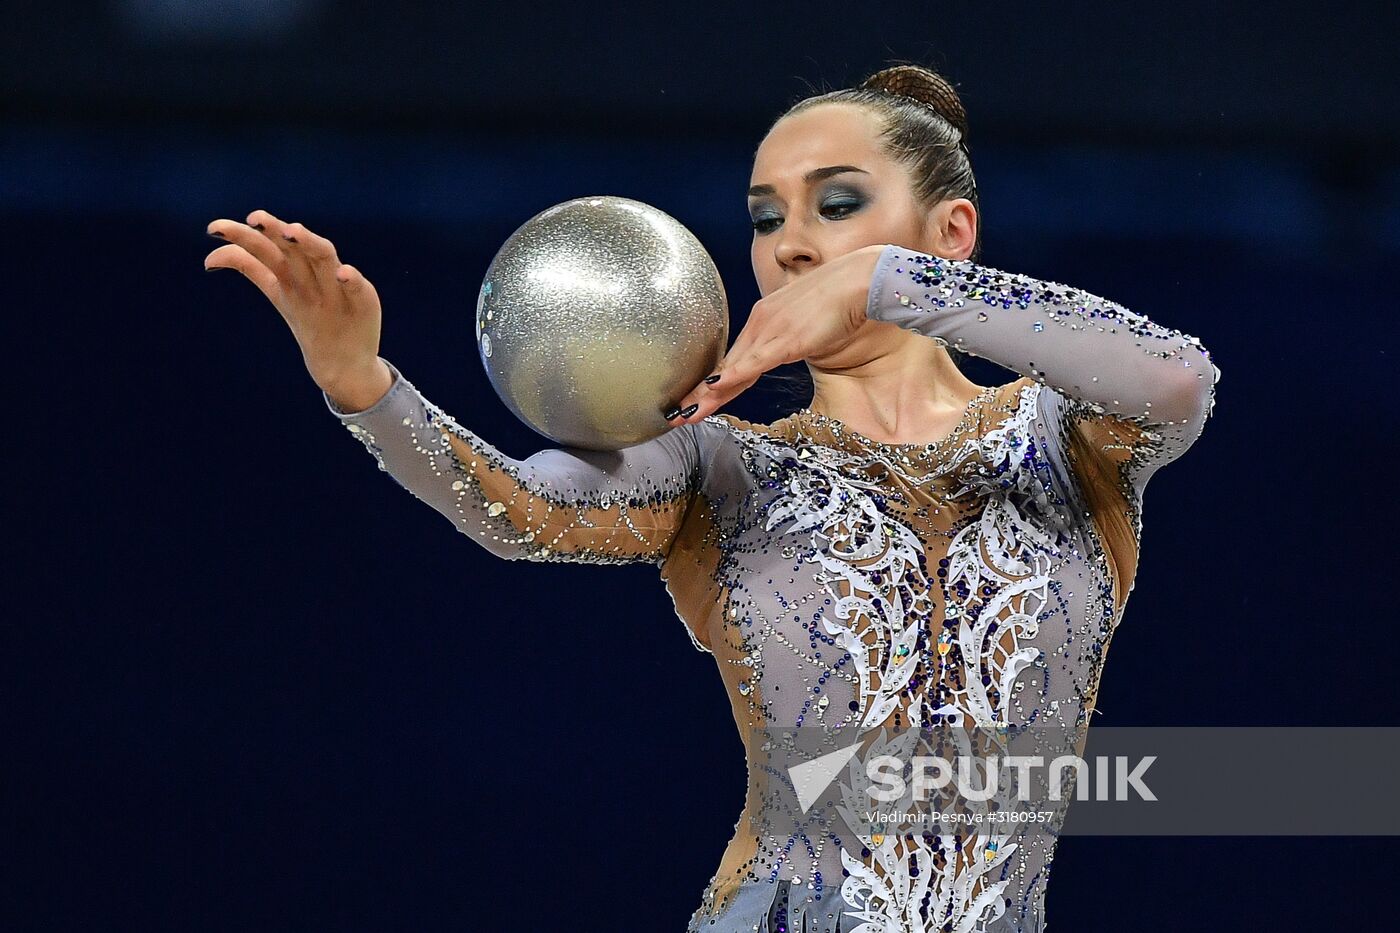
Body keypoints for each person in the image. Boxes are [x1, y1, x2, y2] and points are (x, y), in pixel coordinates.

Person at [204, 63, 1219, 933]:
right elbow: (510, 508)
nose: (787, 241)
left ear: (948, 231)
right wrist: (364, 387)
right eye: (764, 217)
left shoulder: (1064, 440)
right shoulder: (718, 466)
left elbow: (1175, 378)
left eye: (835, 203)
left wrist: (883, 284)